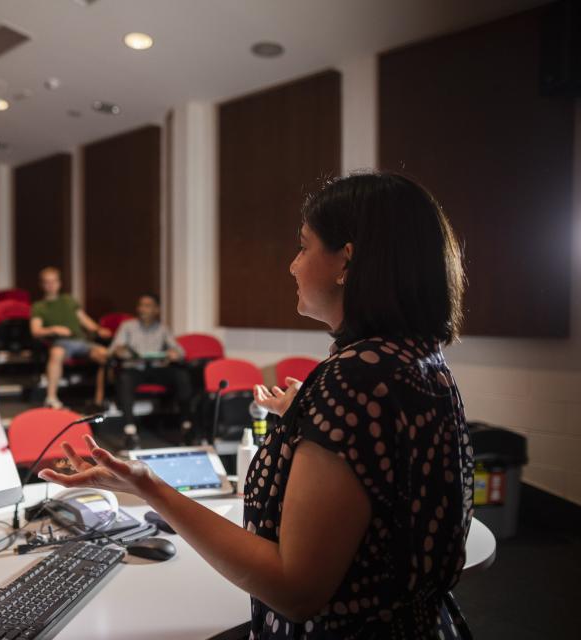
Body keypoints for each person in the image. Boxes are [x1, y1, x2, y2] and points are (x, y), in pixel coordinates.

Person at [41, 173, 474, 639]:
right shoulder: (417, 360)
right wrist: (308, 419)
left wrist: (152, 489)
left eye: (304, 247)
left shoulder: (355, 378)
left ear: (346, 261)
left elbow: (296, 590)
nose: (292, 265)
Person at [110, 293, 192, 450]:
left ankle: (186, 425)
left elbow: (180, 350)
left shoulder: (162, 328)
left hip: (157, 368)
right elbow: (115, 348)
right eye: (140, 305)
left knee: (182, 376)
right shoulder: (128, 326)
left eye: (147, 306)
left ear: (156, 309)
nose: (142, 309)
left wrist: (174, 353)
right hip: (134, 368)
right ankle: (130, 430)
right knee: (124, 379)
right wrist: (121, 351)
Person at [30, 267, 110, 409]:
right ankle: (51, 397)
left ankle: (99, 400)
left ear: (59, 283)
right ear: (42, 285)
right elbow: (35, 331)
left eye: (54, 281)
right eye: (47, 282)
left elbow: (84, 320)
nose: (51, 285)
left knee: (106, 354)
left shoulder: (68, 300)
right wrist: (54, 329)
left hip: (81, 341)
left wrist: (99, 329)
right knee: (56, 353)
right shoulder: (39, 306)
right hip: (61, 343)